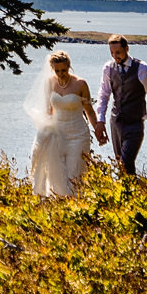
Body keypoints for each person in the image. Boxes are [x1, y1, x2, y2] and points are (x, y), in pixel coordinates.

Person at [25, 49, 100, 198]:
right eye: (57, 70)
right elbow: (48, 111)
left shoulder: (80, 84)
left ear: (69, 67)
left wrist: (98, 130)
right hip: (58, 135)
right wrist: (45, 133)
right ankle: (60, 207)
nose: (61, 74)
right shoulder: (50, 83)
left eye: (64, 70)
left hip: (78, 135)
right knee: (57, 174)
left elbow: (89, 111)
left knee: (74, 174)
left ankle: (74, 206)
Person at [96, 34, 147, 176]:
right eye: (112, 53)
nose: (115, 56)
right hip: (115, 123)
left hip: (135, 124)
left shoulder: (142, 69)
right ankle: (128, 195)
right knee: (119, 163)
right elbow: (104, 95)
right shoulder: (108, 68)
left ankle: (132, 194)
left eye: (118, 52)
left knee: (126, 162)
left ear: (126, 48)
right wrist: (100, 120)